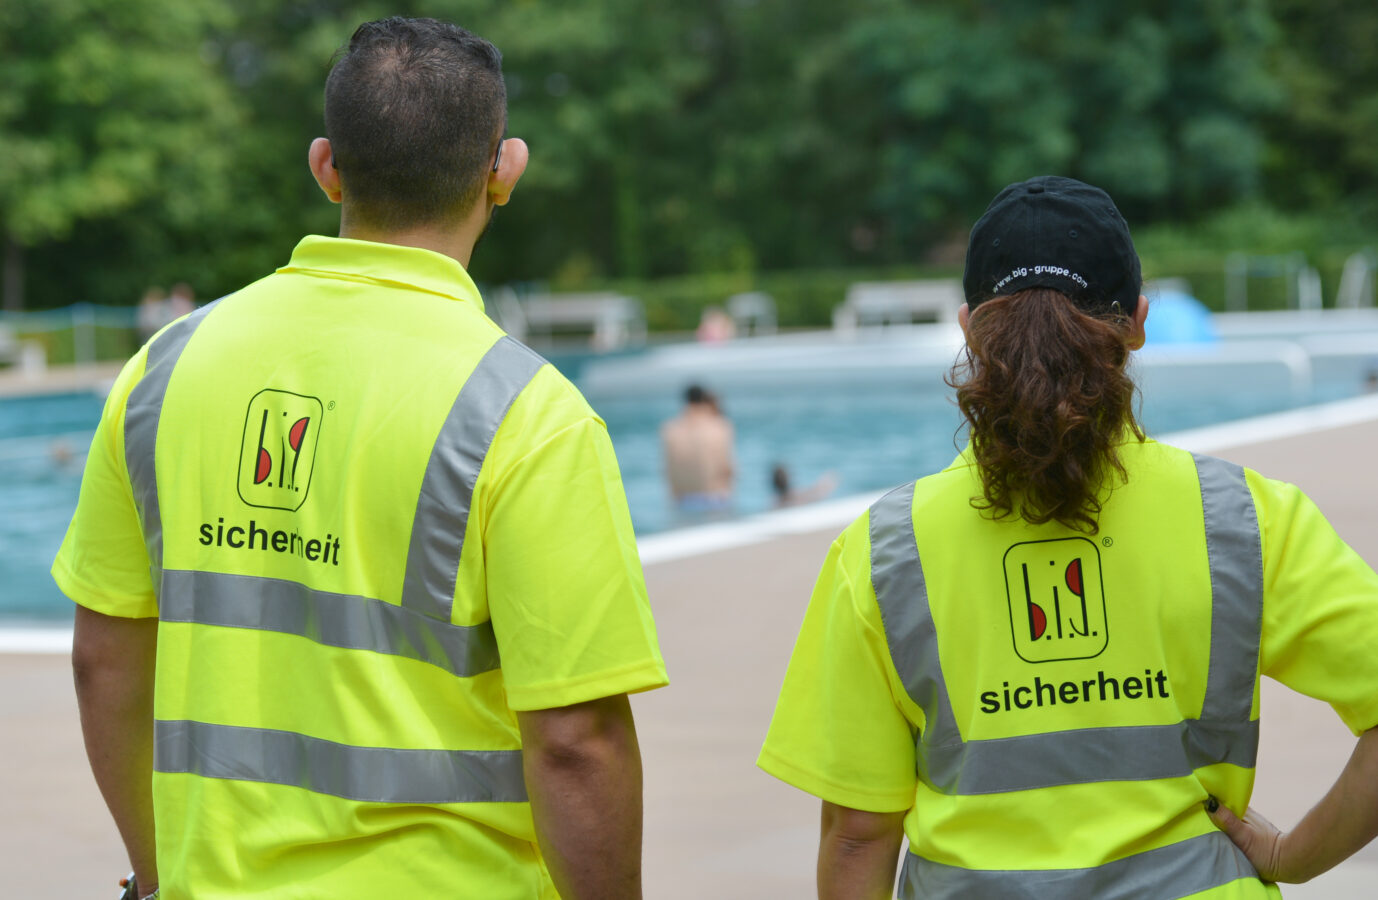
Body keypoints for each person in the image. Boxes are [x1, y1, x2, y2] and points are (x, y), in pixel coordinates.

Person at [55, 18, 667, 900]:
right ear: (505, 170)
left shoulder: (164, 369)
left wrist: (156, 879)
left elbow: (101, 661)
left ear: (325, 165)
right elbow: (577, 741)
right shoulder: (528, 415)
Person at [758, 175, 1378, 899]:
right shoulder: (1244, 521)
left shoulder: (887, 552)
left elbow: (859, 835)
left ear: (967, 326)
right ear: (1138, 321)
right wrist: (1292, 857)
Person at [661, 383, 735, 514]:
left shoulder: (669, 429)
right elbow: (728, 468)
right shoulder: (720, 426)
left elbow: (668, 470)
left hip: (681, 502)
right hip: (715, 499)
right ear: (704, 400)